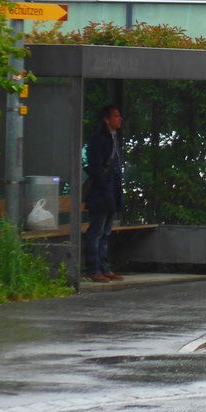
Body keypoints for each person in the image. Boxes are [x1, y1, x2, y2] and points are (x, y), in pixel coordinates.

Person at [83, 104, 124, 282]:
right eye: (116, 116)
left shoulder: (114, 138)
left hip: (111, 191)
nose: (120, 119)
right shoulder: (98, 139)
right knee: (97, 232)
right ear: (106, 119)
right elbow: (95, 168)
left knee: (105, 232)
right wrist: (105, 187)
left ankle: (104, 267)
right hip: (101, 193)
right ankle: (93, 269)